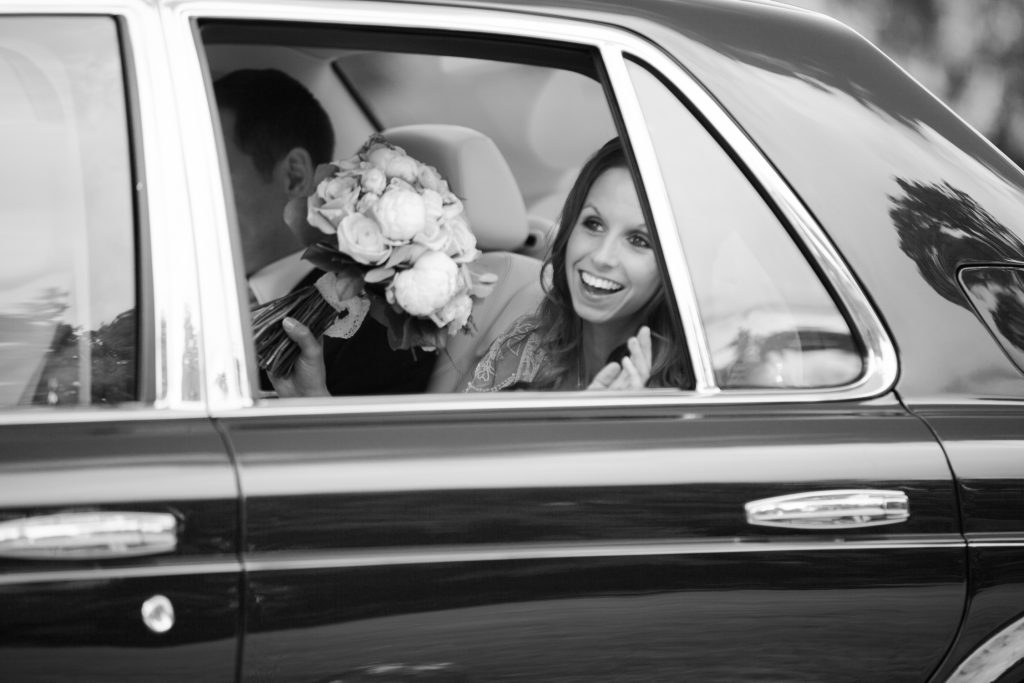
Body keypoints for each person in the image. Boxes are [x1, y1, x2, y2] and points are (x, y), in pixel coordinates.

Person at [215, 69, 435, 395]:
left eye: (213, 169)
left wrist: (312, 404)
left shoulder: (378, 327)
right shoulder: (196, 293)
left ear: (293, 175)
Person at [466, 138, 689, 391]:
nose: (602, 257)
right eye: (594, 224)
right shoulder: (526, 348)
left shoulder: (696, 387)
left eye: (639, 240)